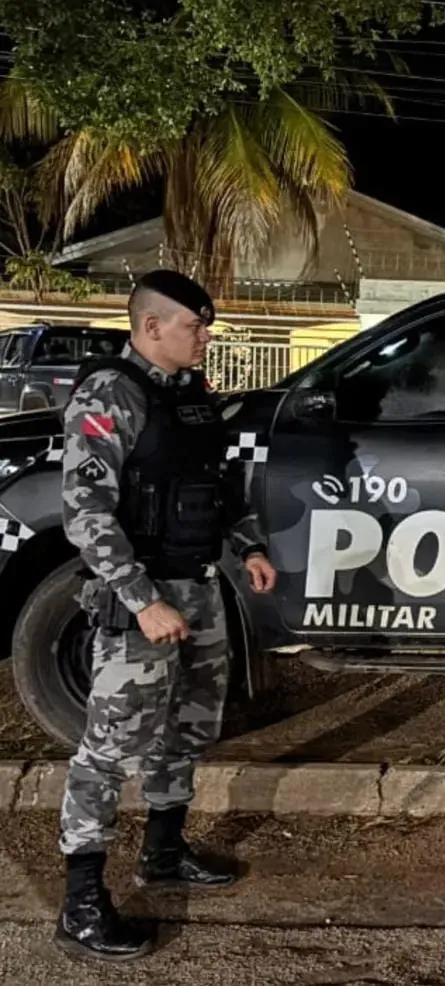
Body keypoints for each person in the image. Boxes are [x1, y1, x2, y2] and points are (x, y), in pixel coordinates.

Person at [55, 269, 277, 962]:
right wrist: (141, 598)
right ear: (152, 327)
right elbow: (85, 512)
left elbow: (215, 488)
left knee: (186, 727)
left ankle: (164, 849)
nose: (205, 336)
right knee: (110, 749)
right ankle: (82, 901)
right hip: (140, 601)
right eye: (195, 325)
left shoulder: (190, 398)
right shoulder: (109, 394)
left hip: (200, 588)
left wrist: (248, 549)